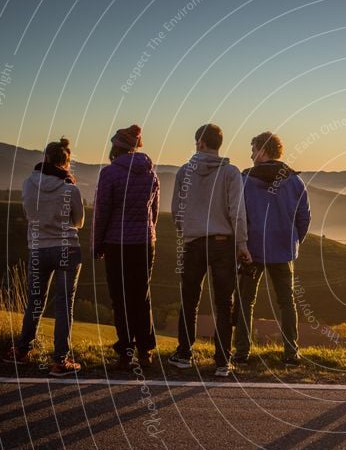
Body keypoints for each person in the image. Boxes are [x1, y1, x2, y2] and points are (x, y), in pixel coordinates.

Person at [169, 123, 251, 377]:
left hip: (193, 243)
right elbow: (236, 212)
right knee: (224, 303)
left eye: (196, 142)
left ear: (201, 143)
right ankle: (222, 361)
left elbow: (176, 211)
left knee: (189, 298)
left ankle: (184, 354)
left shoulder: (184, 172)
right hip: (222, 243)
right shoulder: (231, 173)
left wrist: (187, 230)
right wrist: (241, 244)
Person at [6, 137, 85, 377]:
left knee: (35, 301)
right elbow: (79, 222)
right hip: (66, 249)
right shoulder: (70, 188)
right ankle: (60, 360)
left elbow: (29, 213)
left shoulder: (28, 184)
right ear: (66, 162)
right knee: (63, 305)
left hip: (38, 248)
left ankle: (22, 350)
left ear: (46, 158)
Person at [232, 132, 310, 367]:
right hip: (283, 250)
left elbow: (238, 216)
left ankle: (241, 352)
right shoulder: (294, 181)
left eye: (254, 149)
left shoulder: (245, 181)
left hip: (251, 250)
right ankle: (290, 352)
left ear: (263, 151)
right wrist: (294, 242)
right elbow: (304, 218)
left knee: (246, 300)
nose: (251, 154)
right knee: (287, 302)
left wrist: (240, 244)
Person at [92, 124, 160, 370]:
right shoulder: (151, 173)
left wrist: (97, 243)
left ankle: (125, 351)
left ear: (115, 147)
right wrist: (150, 233)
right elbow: (153, 212)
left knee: (120, 298)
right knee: (141, 296)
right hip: (144, 242)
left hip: (116, 243)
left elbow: (102, 212)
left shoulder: (109, 173)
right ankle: (145, 350)